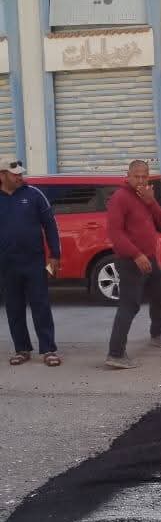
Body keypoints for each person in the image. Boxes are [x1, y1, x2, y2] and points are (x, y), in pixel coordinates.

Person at [105, 159, 161, 370]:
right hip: (130, 260)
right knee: (129, 305)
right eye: (137, 176)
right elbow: (115, 233)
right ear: (128, 176)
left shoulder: (146, 196)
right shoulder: (120, 198)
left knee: (158, 296)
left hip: (149, 257)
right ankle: (116, 353)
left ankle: (157, 334)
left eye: (145, 176)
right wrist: (136, 255)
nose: (141, 180)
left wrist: (151, 201)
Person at [0, 156, 61, 367]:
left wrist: (55, 255)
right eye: (15, 174)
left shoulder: (34, 194)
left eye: (21, 174)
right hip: (7, 264)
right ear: (2, 176)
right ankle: (22, 349)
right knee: (14, 308)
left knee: (40, 305)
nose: (20, 177)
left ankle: (49, 349)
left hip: (34, 262)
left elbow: (50, 225)